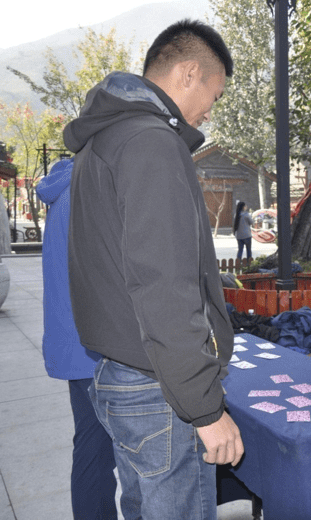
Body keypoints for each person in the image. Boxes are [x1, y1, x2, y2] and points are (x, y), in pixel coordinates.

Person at [64, 19, 243, 519]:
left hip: (116, 369)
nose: (212, 108)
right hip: (156, 385)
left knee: (143, 507)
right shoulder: (151, 143)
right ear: (190, 72)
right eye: (216, 92)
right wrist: (205, 409)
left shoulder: (103, 139)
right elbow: (164, 287)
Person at [36, 157, 118, 519]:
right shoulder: (87, 189)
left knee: (92, 447)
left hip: (74, 342)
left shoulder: (66, 185)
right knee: (96, 452)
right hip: (93, 345)